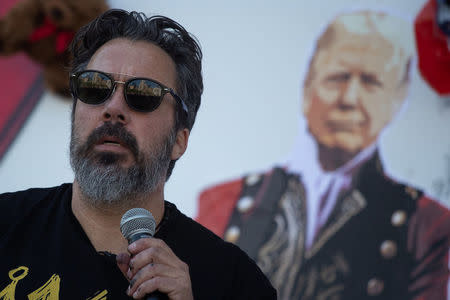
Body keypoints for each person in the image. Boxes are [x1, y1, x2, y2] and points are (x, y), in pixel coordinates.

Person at [0, 9, 276, 300]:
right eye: (95, 86)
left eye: (143, 94)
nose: (113, 108)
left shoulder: (234, 281)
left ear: (178, 141)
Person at [196, 11, 450, 300]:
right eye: (337, 77)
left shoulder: (427, 224)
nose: (350, 98)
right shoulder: (221, 201)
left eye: (371, 82)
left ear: (398, 100)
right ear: (308, 86)